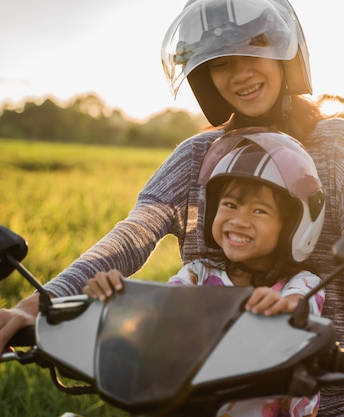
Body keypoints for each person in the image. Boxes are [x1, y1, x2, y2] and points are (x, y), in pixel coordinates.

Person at [0, 1, 344, 416]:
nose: (240, 73)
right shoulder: (195, 155)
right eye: (221, 62)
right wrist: (38, 304)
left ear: (287, 55)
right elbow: (133, 234)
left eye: (254, 51)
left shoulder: (340, 144)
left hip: (330, 396)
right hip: (205, 393)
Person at [83, 129, 326, 417]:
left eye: (259, 211)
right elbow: (164, 308)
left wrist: (285, 312)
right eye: (230, 205)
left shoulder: (303, 283)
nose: (238, 220)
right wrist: (117, 297)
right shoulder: (197, 273)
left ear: (292, 227)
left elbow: (300, 309)